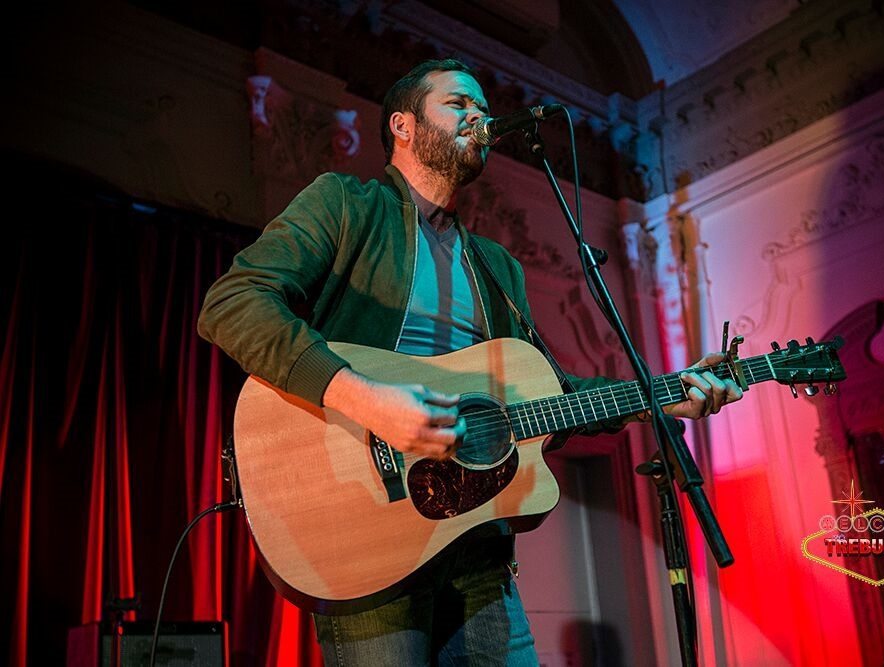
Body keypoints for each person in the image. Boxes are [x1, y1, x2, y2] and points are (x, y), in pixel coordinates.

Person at [198, 58, 742, 666]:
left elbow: (548, 398)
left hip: (479, 546)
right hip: (369, 536)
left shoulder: (498, 267)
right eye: (458, 103)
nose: (478, 115)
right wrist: (366, 399)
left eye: (482, 107)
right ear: (403, 125)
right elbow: (232, 304)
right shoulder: (347, 205)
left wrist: (659, 396)